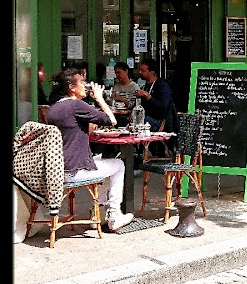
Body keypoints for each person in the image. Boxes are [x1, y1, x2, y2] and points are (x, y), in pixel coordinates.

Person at [46, 68, 134, 232]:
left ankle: (97, 215)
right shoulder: (76, 105)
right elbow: (111, 120)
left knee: (101, 162)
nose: (86, 86)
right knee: (119, 165)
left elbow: (74, 130)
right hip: (75, 170)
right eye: (82, 83)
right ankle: (114, 215)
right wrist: (100, 99)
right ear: (72, 87)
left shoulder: (54, 108)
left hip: (57, 170)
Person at [134, 58, 175, 133]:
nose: (139, 72)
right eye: (139, 70)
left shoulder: (162, 85)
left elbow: (163, 109)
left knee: (136, 123)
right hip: (147, 119)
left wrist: (148, 96)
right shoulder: (145, 86)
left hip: (159, 122)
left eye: (143, 70)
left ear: (152, 72)